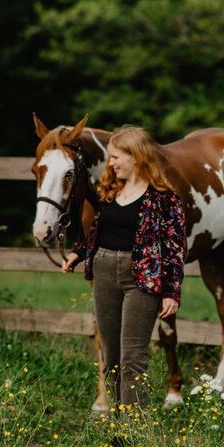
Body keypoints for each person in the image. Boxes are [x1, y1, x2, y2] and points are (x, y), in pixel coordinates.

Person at [61, 126, 186, 415]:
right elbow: (98, 234)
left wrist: (172, 292)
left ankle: (136, 430)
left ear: (137, 157)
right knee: (111, 357)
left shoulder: (165, 199)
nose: (111, 163)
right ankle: (118, 422)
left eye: (117, 157)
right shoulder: (109, 191)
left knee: (133, 358)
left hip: (141, 279)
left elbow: (175, 249)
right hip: (104, 271)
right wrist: (77, 254)